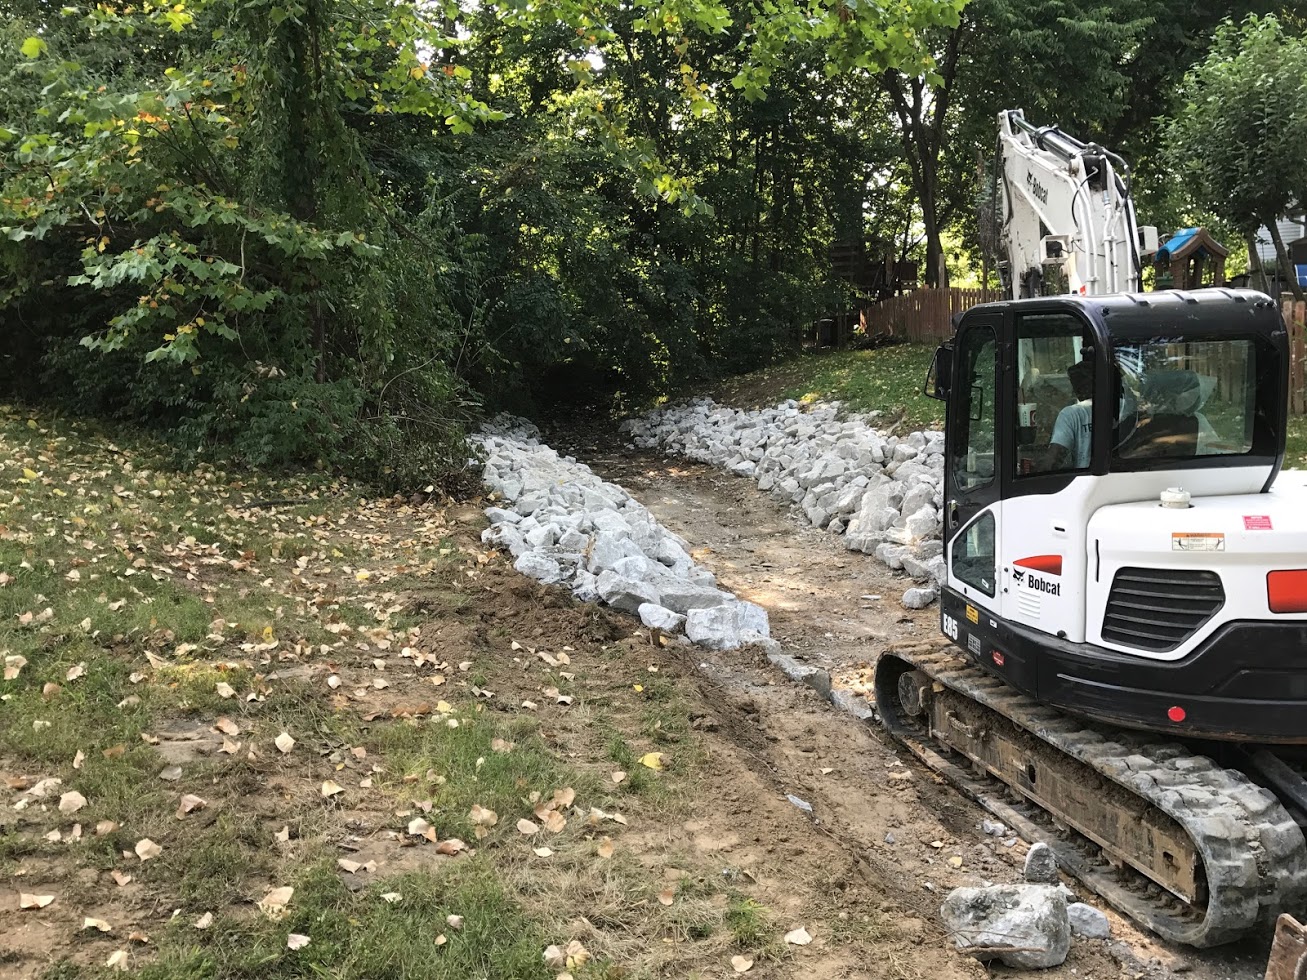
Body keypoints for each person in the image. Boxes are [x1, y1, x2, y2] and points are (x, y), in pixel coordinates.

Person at [1050, 358, 1094, 469]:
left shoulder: (1071, 414)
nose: (1072, 391)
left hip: (1083, 480)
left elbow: (1053, 461)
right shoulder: (1120, 406)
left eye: (1074, 386)